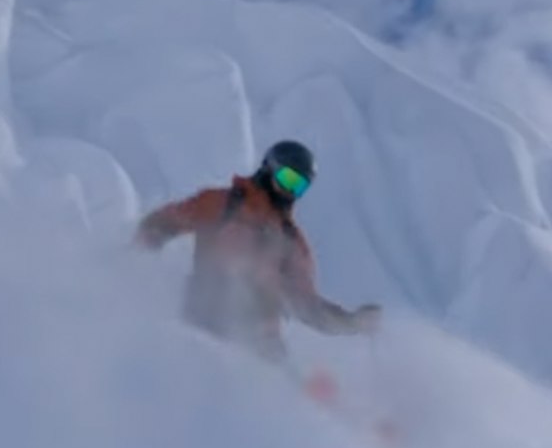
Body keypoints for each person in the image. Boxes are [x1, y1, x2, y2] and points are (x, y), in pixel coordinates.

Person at [136, 140, 381, 363]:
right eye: (287, 179)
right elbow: (168, 220)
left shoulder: (290, 241)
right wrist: (145, 242)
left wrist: (351, 322)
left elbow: (307, 305)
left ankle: (332, 407)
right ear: (269, 168)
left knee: (287, 382)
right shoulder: (222, 205)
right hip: (206, 323)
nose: (290, 191)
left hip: (261, 344)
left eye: (299, 186)